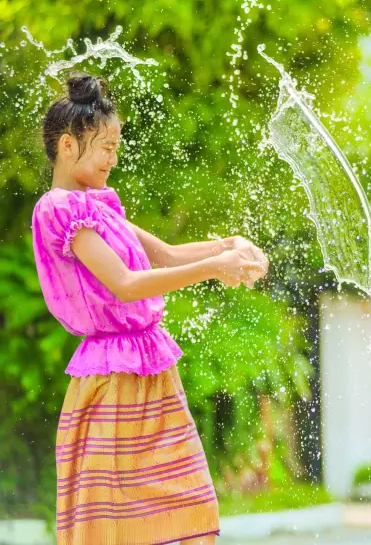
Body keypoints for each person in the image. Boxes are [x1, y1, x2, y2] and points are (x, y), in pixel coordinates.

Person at [33, 72, 267, 545]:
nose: (113, 159)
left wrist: (228, 246)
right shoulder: (58, 208)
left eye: (117, 147)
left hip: (150, 367)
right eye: (106, 148)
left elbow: (168, 254)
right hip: (113, 377)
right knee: (117, 520)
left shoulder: (100, 204)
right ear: (66, 146)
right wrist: (216, 267)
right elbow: (124, 285)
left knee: (183, 504)